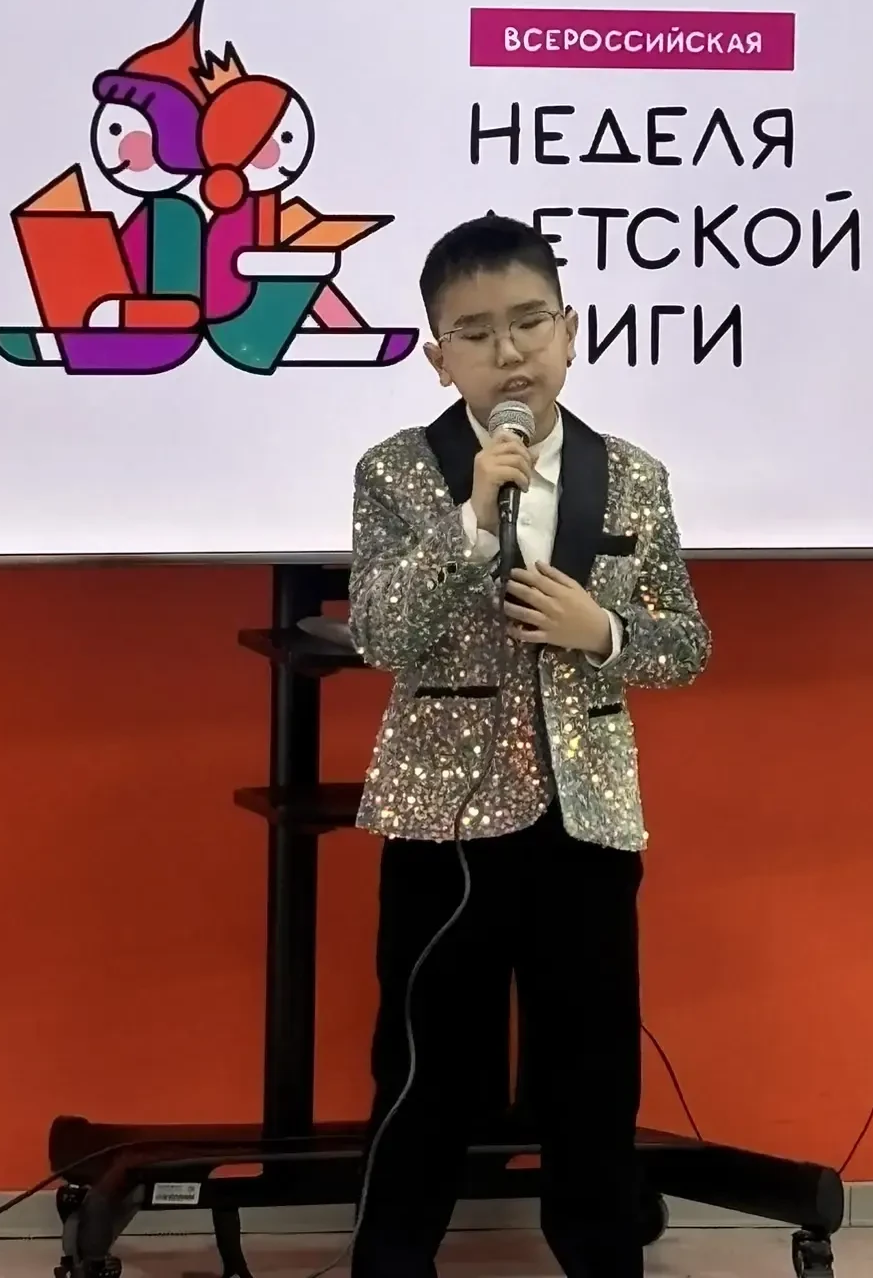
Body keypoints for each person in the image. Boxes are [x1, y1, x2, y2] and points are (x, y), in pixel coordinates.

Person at [348, 213, 710, 1278]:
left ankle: (600, 1260)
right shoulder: (398, 472)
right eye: (476, 333)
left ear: (571, 329)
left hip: (586, 819)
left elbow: (686, 644)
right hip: (442, 822)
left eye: (529, 323)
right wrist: (470, 523)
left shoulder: (630, 474)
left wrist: (604, 632)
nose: (508, 352)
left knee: (591, 1075)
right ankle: (391, 1262)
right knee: (425, 1073)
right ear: (438, 356)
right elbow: (378, 633)